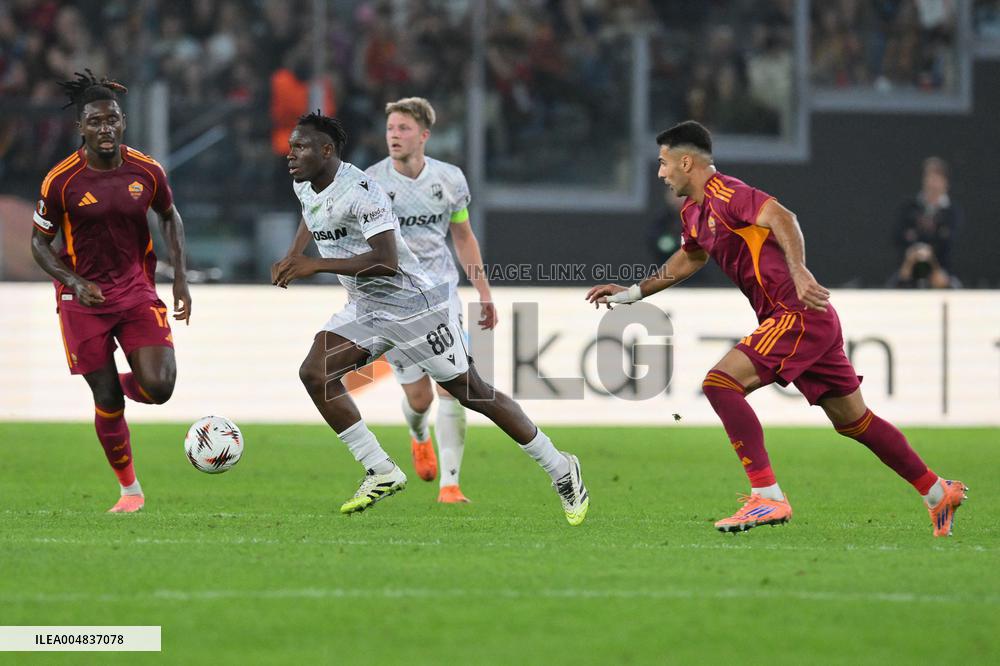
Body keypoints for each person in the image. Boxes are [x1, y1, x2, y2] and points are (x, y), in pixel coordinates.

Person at [586, 120, 966, 537]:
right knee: (853, 421)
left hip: (796, 312)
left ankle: (766, 496)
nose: (660, 173)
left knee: (719, 384)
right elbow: (690, 259)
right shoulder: (694, 212)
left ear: (687, 162)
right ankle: (936, 491)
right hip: (803, 319)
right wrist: (632, 294)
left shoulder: (726, 192)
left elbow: (783, 216)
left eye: (663, 163)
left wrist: (799, 269)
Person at [271, 112, 588, 525]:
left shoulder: (364, 191)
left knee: (471, 390)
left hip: (413, 305)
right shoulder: (303, 183)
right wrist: (296, 254)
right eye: (291, 147)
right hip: (366, 307)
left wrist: (314, 265)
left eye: (300, 147)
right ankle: (380, 470)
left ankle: (561, 468)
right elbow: (311, 214)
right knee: (314, 373)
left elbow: (387, 262)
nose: (290, 155)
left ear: (327, 151)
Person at [30, 70, 191, 513]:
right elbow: (38, 243)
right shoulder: (60, 181)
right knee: (106, 400)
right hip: (83, 300)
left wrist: (179, 276)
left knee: (160, 386)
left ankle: (116, 386)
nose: (106, 129)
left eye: (113, 120)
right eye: (96, 122)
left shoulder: (147, 169)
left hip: (136, 291)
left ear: (123, 122)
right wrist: (74, 282)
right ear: (80, 128)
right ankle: (130, 492)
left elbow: (169, 215)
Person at [365, 97, 497, 504]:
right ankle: (418, 432)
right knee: (419, 400)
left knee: (455, 388)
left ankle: (451, 485)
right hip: (396, 301)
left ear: (424, 135)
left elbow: (462, 235)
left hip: (441, 297)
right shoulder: (371, 182)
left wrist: (483, 291)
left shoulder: (450, 180)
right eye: (390, 128)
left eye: (403, 128)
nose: (394, 135)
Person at [894, 156, 961, 272]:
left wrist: (930, 253)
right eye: (929, 178)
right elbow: (897, 236)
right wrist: (916, 252)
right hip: (909, 269)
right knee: (895, 284)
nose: (932, 183)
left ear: (945, 182)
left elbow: (948, 241)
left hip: (942, 270)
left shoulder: (952, 211)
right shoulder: (909, 207)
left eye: (937, 179)